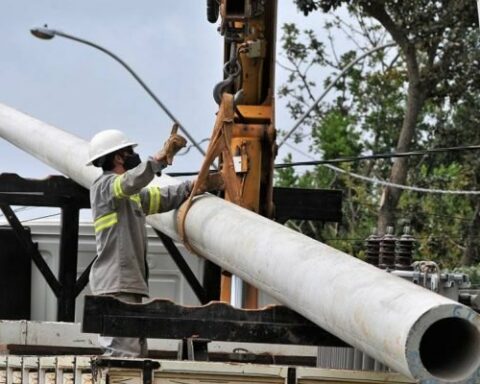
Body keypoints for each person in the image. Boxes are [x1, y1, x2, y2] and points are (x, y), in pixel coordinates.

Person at [86, 127, 191, 357]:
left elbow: (160, 199)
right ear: (118, 157)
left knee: (136, 356)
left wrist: (192, 187)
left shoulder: (128, 197)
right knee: (124, 359)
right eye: (130, 151)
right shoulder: (104, 187)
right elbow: (129, 182)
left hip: (127, 284)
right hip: (116, 286)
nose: (135, 155)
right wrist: (158, 160)